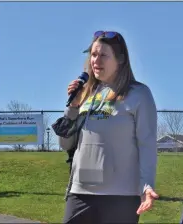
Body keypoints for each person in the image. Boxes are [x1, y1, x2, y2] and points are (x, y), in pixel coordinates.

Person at [59, 31, 159, 224]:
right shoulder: (86, 94)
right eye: (93, 55)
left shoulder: (139, 94)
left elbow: (147, 144)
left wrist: (147, 185)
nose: (96, 60)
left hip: (120, 196)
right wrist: (72, 107)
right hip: (80, 193)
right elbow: (65, 144)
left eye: (103, 55)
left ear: (120, 59)